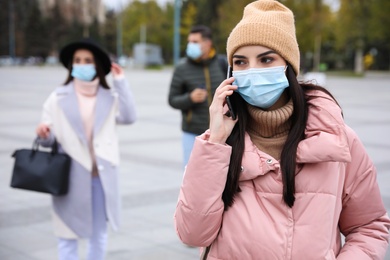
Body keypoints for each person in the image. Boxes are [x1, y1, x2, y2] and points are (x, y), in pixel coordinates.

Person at [174, 1, 390, 259]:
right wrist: (215, 142)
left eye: (266, 59)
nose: (252, 70)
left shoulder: (337, 141)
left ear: (288, 65)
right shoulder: (219, 143)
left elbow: (369, 226)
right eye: (241, 62)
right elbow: (192, 234)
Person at [36, 38, 137, 260]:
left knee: (98, 235)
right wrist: (44, 134)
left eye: (87, 60)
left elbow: (129, 117)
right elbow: (49, 138)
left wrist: (120, 81)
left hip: (101, 176)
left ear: (97, 65)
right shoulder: (58, 97)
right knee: (67, 236)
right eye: (78, 60)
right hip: (69, 176)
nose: (82, 64)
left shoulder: (109, 96)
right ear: (71, 65)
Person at [168, 25, 227, 167]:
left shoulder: (222, 64)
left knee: (222, 176)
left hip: (222, 131)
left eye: (195, 42)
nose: (190, 45)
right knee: (192, 177)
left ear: (208, 43)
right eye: (189, 42)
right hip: (192, 133)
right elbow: (172, 99)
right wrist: (189, 98)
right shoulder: (182, 67)